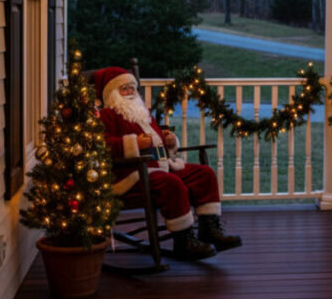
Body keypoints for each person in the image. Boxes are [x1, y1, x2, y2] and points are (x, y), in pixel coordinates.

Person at [94, 67, 241, 261]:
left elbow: (157, 144)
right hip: (132, 173)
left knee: (204, 174)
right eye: (124, 89)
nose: (130, 92)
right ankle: (184, 241)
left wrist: (170, 142)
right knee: (171, 183)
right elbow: (102, 145)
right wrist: (133, 143)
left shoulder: (142, 113)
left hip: (160, 166)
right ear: (111, 93)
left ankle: (209, 230)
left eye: (132, 88)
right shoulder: (106, 116)